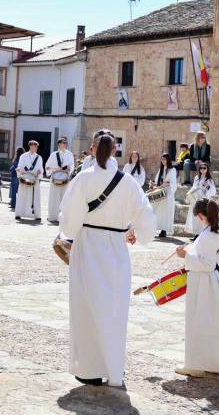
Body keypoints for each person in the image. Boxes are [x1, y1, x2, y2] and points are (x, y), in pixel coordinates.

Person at [59, 133, 158, 387]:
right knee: (114, 309)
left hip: (88, 246)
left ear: (92, 149)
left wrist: (71, 231)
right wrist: (133, 231)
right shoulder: (128, 183)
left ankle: (89, 368)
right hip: (115, 250)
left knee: (86, 308)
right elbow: (145, 218)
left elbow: (68, 220)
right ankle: (114, 368)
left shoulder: (83, 178)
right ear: (116, 150)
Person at [176, 199, 219, 377]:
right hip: (210, 282)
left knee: (198, 321)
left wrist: (184, 255)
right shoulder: (217, 230)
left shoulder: (210, 234)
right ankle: (212, 363)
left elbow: (207, 264)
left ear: (202, 216)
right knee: (212, 322)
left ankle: (195, 365)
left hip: (204, 282)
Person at [14, 140, 45, 222]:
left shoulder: (39, 157)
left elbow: (41, 168)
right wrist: (19, 170)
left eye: (36, 146)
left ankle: (36, 215)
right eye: (34, 146)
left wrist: (39, 172)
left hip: (34, 179)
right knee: (22, 196)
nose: (35, 148)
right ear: (30, 146)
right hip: (24, 178)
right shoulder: (23, 156)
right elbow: (20, 166)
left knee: (35, 197)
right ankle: (19, 214)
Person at [47, 138, 75, 226]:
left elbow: (71, 166)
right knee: (54, 197)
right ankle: (53, 216)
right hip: (55, 179)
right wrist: (56, 170)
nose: (66, 144)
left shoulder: (69, 154)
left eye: (66, 143)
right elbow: (47, 166)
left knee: (64, 197)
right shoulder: (53, 154)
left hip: (65, 179)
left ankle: (63, 216)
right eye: (64, 143)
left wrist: (68, 170)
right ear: (59, 144)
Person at [150, 153, 177, 238]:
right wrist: (154, 184)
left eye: (164, 159)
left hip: (168, 193)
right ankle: (155, 228)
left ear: (168, 160)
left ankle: (164, 230)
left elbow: (173, 182)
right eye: (162, 160)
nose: (163, 161)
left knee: (165, 212)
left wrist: (167, 183)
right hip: (160, 192)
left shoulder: (172, 170)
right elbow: (157, 181)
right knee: (156, 210)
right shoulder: (161, 169)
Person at [185, 162, 215, 235]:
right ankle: (196, 234)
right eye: (201, 168)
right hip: (195, 199)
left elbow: (213, 191)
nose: (202, 169)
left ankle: (201, 234)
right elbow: (194, 187)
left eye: (204, 168)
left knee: (201, 218)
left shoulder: (210, 180)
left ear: (207, 169)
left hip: (203, 202)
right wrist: (189, 194)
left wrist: (208, 187)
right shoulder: (197, 178)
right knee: (194, 217)